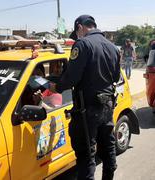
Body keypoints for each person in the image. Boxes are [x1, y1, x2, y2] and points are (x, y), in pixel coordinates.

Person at [50, 15, 120, 180]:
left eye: (77, 33)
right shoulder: (112, 47)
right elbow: (116, 77)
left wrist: (56, 87)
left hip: (87, 110)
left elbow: (71, 79)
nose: (77, 37)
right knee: (108, 148)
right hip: (107, 106)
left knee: (86, 155)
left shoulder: (83, 44)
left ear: (80, 27)